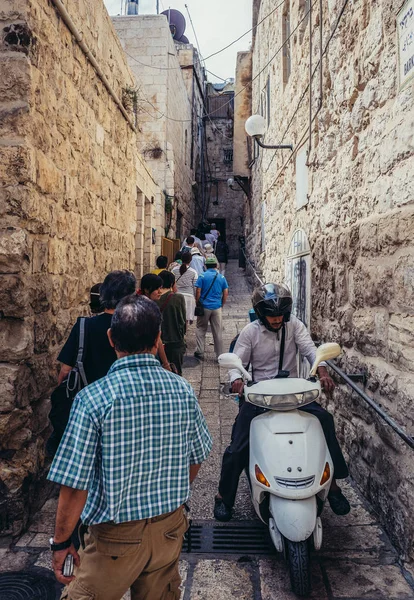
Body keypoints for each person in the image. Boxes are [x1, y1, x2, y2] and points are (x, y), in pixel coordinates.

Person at [48, 295, 212, 599]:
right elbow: (197, 456)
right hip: (169, 529)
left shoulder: (93, 399)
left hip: (115, 538)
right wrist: (168, 496)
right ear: (158, 338)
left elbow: (73, 486)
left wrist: (60, 543)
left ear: (112, 338)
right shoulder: (182, 390)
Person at [214, 283, 351, 522]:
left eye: (280, 315)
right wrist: (236, 379)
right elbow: (238, 362)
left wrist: (323, 372)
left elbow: (310, 350)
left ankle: (334, 486)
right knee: (237, 446)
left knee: (324, 421)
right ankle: (224, 497)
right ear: (260, 314)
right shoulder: (250, 332)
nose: (276, 320)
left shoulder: (295, 325)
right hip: (260, 395)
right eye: (271, 315)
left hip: (293, 393)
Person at [57, 270, 136, 387]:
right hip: (126, 395)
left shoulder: (83, 326)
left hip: (90, 394)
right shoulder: (137, 326)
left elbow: (65, 370)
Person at [194, 257, 229, 361]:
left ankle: (200, 351)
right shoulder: (221, 277)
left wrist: (198, 302)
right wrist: (222, 304)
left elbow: (198, 291)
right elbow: (225, 292)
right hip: (217, 307)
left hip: (204, 306)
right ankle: (219, 355)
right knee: (217, 332)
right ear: (216, 266)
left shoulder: (202, 276)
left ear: (206, 266)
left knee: (201, 328)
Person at [138, 274, 171, 371]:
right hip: (150, 354)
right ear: (147, 290)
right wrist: (166, 364)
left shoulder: (135, 302)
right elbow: (157, 338)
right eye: (157, 289)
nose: (160, 292)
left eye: (160, 288)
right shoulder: (151, 309)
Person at [156, 270, 186, 376]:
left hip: (157, 343)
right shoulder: (178, 298)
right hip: (175, 340)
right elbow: (182, 320)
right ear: (173, 283)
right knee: (176, 373)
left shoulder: (153, 299)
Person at [172, 252, 197, 324]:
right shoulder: (193, 272)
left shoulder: (174, 270)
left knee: (178, 317)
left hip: (177, 295)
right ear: (190, 260)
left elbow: (172, 283)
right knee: (186, 318)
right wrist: (196, 298)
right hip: (189, 296)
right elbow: (195, 287)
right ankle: (184, 332)